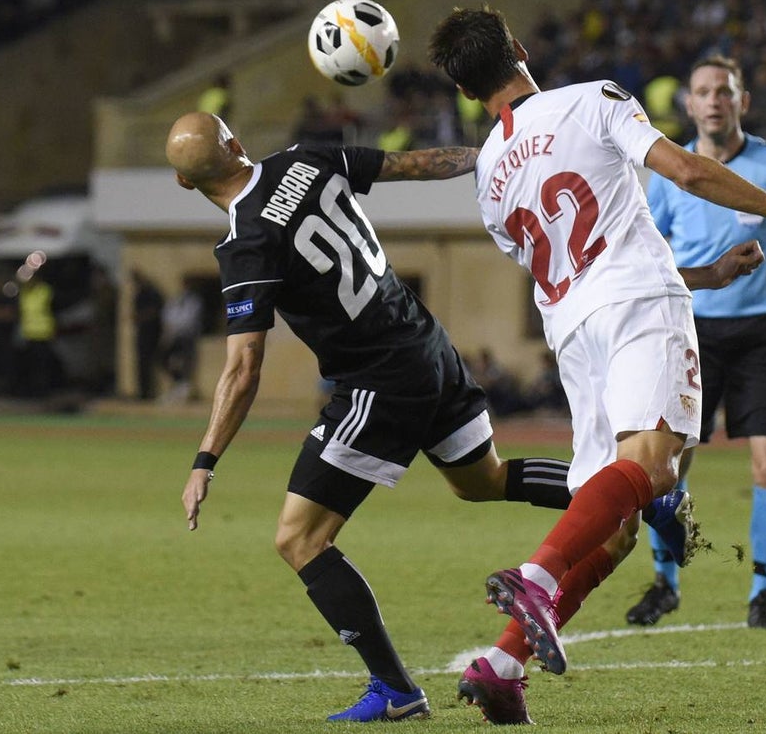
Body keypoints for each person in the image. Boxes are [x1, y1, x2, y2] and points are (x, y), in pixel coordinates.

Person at [429, 7, 766, 724]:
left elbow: (580, 259)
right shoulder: (593, 99)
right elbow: (687, 170)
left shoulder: (490, 180)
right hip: (638, 309)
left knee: (618, 527)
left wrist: (709, 275)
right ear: (522, 50)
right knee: (656, 469)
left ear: (470, 94)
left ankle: (503, 662)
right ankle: (534, 579)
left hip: (573, 331)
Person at [167, 111, 583, 723]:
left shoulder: (245, 243)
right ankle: (629, 492)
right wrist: (500, 152)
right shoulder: (305, 159)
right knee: (484, 482)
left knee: (300, 539)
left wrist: (205, 459)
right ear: (237, 142)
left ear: (184, 185)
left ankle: (394, 689)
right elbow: (418, 164)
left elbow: (242, 368)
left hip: (378, 382)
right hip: (428, 346)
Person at [636, 55, 766, 631]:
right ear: (691, 104)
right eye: (703, 92)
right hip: (694, 332)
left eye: (724, 91)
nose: (714, 101)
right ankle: (665, 583)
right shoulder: (673, 172)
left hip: (763, 334)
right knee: (668, 468)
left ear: (741, 101)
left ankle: (762, 596)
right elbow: (650, 253)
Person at [159, 277, 203, 403]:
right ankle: (179, 386)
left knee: (185, 363)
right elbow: (167, 316)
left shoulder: (194, 301)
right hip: (173, 336)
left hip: (187, 336)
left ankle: (184, 389)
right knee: (166, 361)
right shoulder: (175, 300)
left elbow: (189, 320)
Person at [17, 269, 57, 398]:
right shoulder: (24, 293)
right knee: (29, 366)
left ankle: (43, 392)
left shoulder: (44, 291)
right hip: (28, 334)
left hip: (43, 333)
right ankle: (31, 392)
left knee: (42, 367)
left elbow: (53, 309)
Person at [131, 270, 164, 401]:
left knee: (151, 363)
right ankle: (143, 392)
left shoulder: (152, 294)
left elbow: (155, 311)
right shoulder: (139, 295)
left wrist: (142, 317)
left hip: (152, 333)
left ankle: (149, 393)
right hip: (142, 333)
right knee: (141, 364)